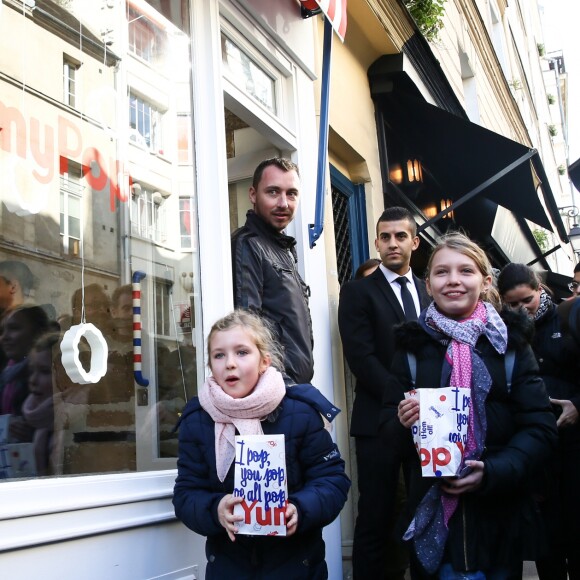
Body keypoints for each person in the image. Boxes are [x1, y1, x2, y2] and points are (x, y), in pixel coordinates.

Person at [396, 234, 558, 579]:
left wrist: (493, 470)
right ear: (428, 285)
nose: (453, 280)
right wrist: (402, 420)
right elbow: (382, 434)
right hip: (435, 517)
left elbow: (540, 427)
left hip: (499, 520)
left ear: (485, 282)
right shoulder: (410, 349)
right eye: (441, 272)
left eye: (465, 271)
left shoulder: (512, 346)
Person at [173, 309, 350, 579]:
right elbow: (186, 493)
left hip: (296, 564)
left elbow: (332, 480)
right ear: (210, 365)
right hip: (229, 566)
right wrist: (215, 509)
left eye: (242, 352)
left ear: (264, 361)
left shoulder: (299, 413)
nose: (229, 363)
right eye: (219, 355)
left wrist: (300, 509)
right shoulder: (198, 420)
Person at [338, 206, 430, 579]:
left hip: (430, 420)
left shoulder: (429, 289)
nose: (392, 243)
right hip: (378, 420)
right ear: (376, 241)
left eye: (401, 236)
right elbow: (361, 356)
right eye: (385, 236)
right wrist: (404, 399)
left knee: (427, 511)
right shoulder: (358, 291)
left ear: (415, 242)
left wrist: (428, 402)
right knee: (376, 515)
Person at [498, 262, 580, 579]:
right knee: (545, 542)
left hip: (572, 446)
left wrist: (577, 406)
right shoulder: (502, 334)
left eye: (527, 300)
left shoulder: (568, 319)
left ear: (540, 291)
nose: (521, 309)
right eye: (513, 304)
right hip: (534, 452)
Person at [231, 157, 313, 384]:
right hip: (277, 390)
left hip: (294, 388)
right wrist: (283, 385)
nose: (283, 203)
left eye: (291, 193)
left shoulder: (282, 248)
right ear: (253, 195)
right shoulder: (249, 244)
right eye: (273, 192)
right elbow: (247, 328)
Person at [0, 305, 50, 442]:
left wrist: (33, 436)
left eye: (14, 328)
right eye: (3, 331)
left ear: (38, 333)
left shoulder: (48, 380)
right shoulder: (6, 374)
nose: (4, 337)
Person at [22, 332, 60, 476]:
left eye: (44, 371)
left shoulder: (73, 429)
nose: (33, 380)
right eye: (32, 371)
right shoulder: (42, 427)